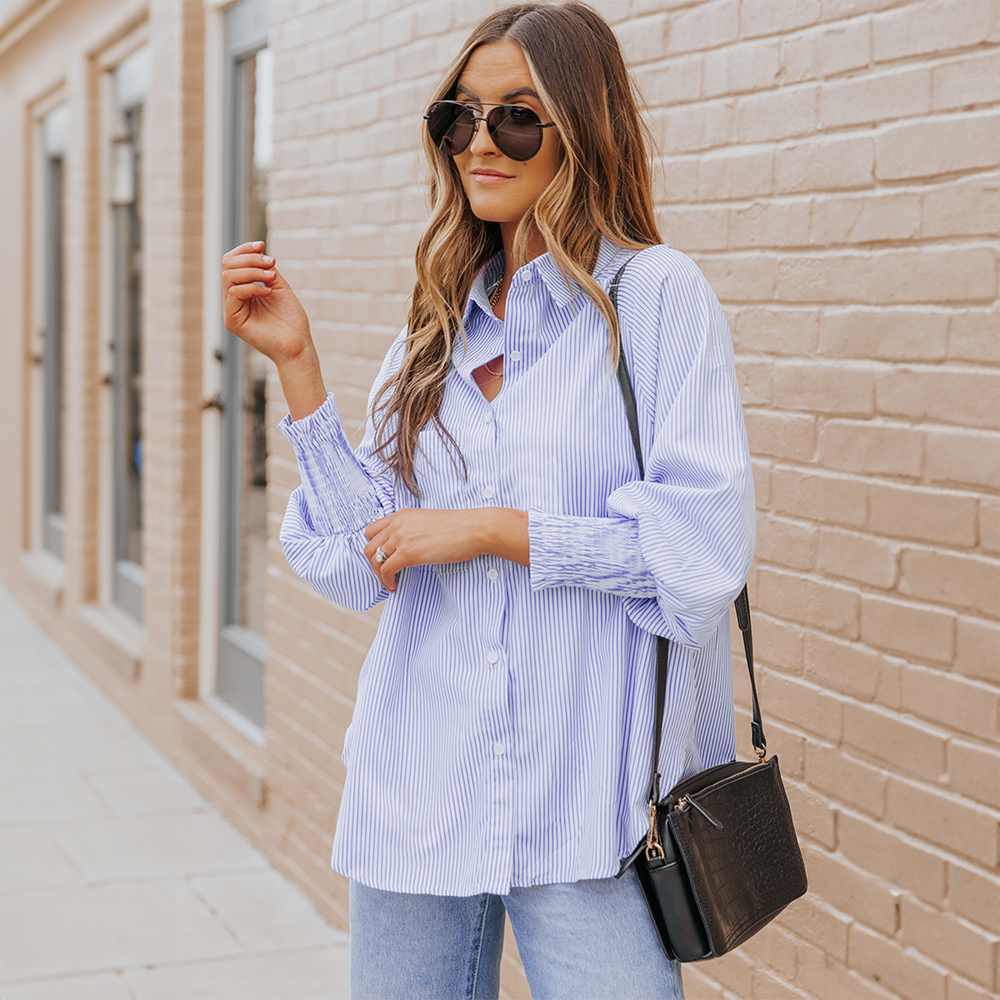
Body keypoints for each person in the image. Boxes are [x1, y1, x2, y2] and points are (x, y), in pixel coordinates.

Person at [221, 3, 754, 997]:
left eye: (515, 116)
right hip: (417, 784)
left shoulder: (658, 300)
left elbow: (699, 552)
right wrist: (297, 367)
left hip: (587, 811)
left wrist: (496, 531)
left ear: (583, 127)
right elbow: (354, 561)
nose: (478, 142)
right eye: (456, 117)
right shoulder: (437, 325)